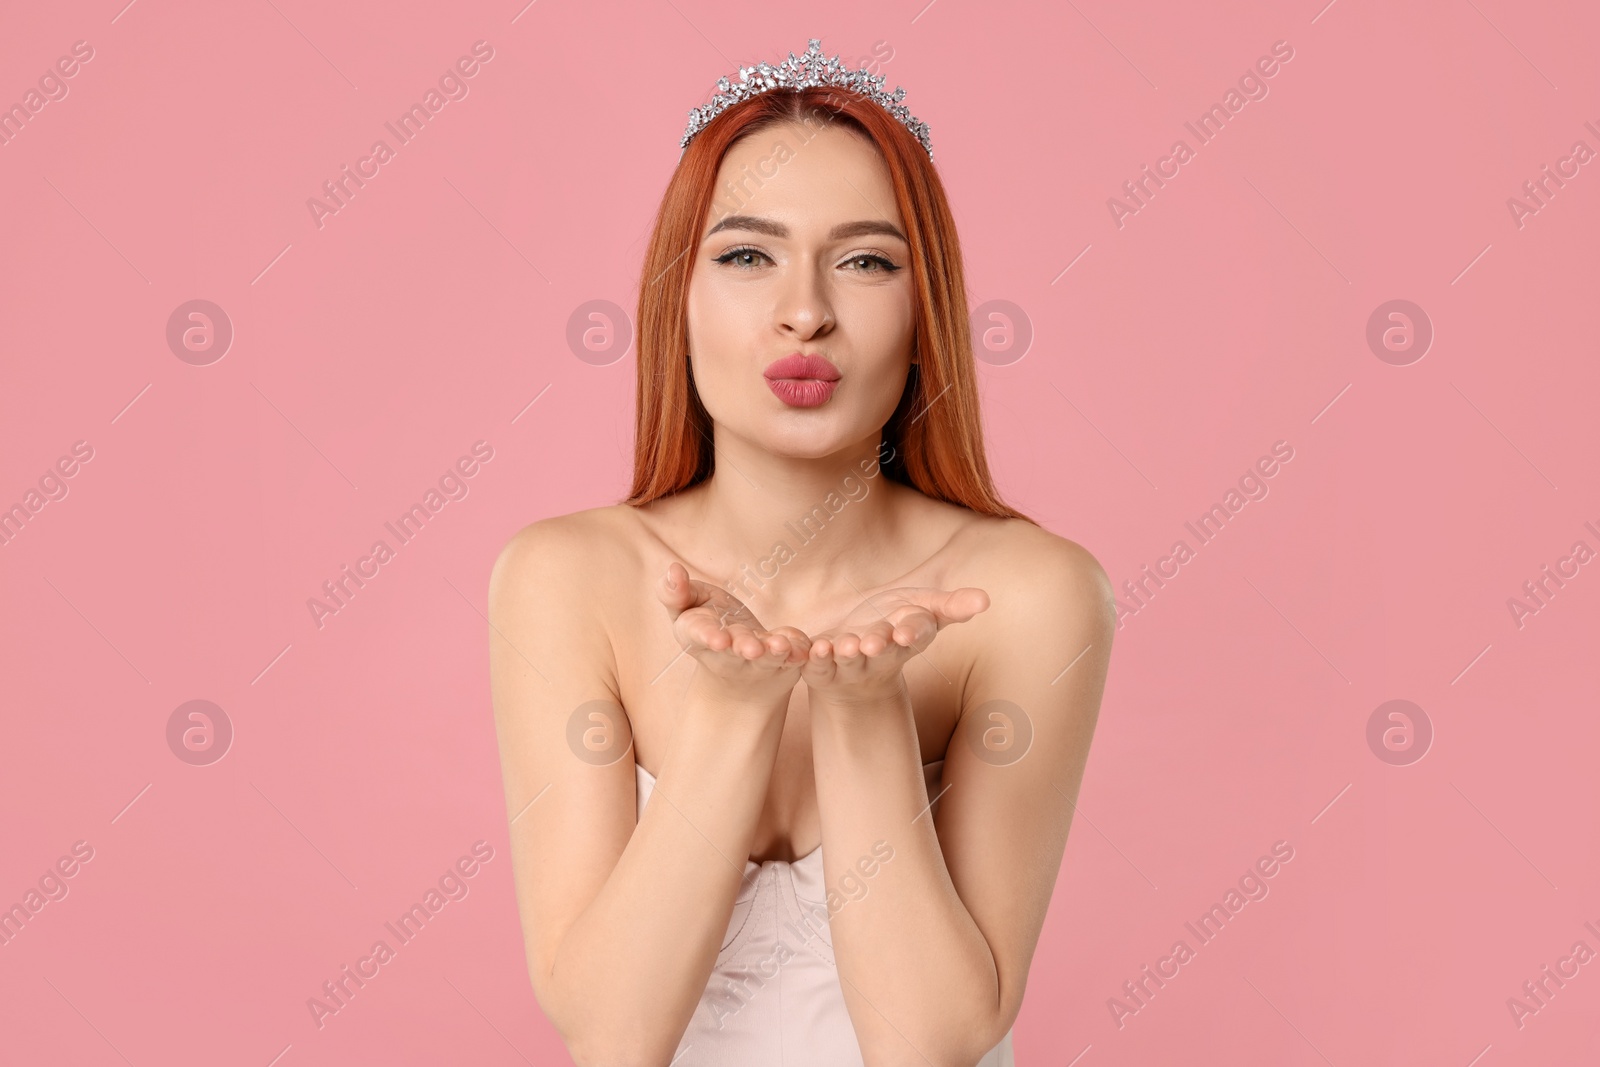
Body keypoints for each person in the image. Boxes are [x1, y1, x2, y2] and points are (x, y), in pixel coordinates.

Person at [489, 39, 1115, 1067]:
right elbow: (611, 1031)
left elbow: (932, 1042)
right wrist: (735, 712)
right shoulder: (568, 577)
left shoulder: (1030, 592)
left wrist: (864, 714)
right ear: (675, 300)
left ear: (927, 313)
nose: (806, 310)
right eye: (745, 255)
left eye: (866, 259)